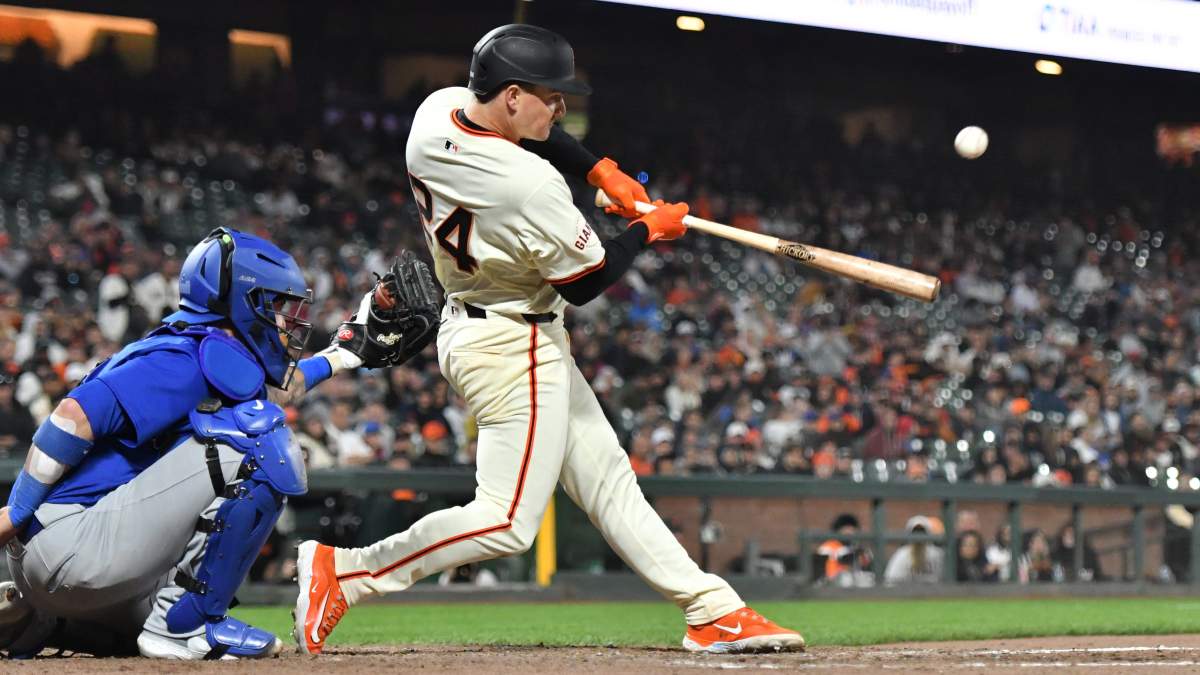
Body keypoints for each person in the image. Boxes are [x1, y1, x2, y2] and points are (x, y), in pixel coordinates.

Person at [295, 24, 804, 656]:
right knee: (506, 522)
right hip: (512, 344)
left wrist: (601, 170)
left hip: (488, 323)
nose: (561, 109)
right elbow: (588, 282)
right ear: (512, 95)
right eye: (550, 96)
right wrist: (649, 231)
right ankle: (347, 572)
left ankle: (711, 609)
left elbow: (537, 141)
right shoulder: (528, 183)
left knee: (608, 480)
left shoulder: (435, 114)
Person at [0, 228, 437, 659]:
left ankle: (43, 622)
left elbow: (274, 391)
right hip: (70, 545)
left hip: (67, 563)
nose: (285, 320)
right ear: (245, 302)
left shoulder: (207, 354)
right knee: (261, 437)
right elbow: (71, 417)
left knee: (141, 629)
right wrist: (17, 510)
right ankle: (186, 626)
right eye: (276, 305)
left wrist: (344, 354)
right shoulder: (181, 356)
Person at [883, 515, 944, 585]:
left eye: (922, 531)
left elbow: (946, 579)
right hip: (907, 590)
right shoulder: (902, 554)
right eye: (915, 532)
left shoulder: (937, 554)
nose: (919, 535)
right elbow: (890, 581)